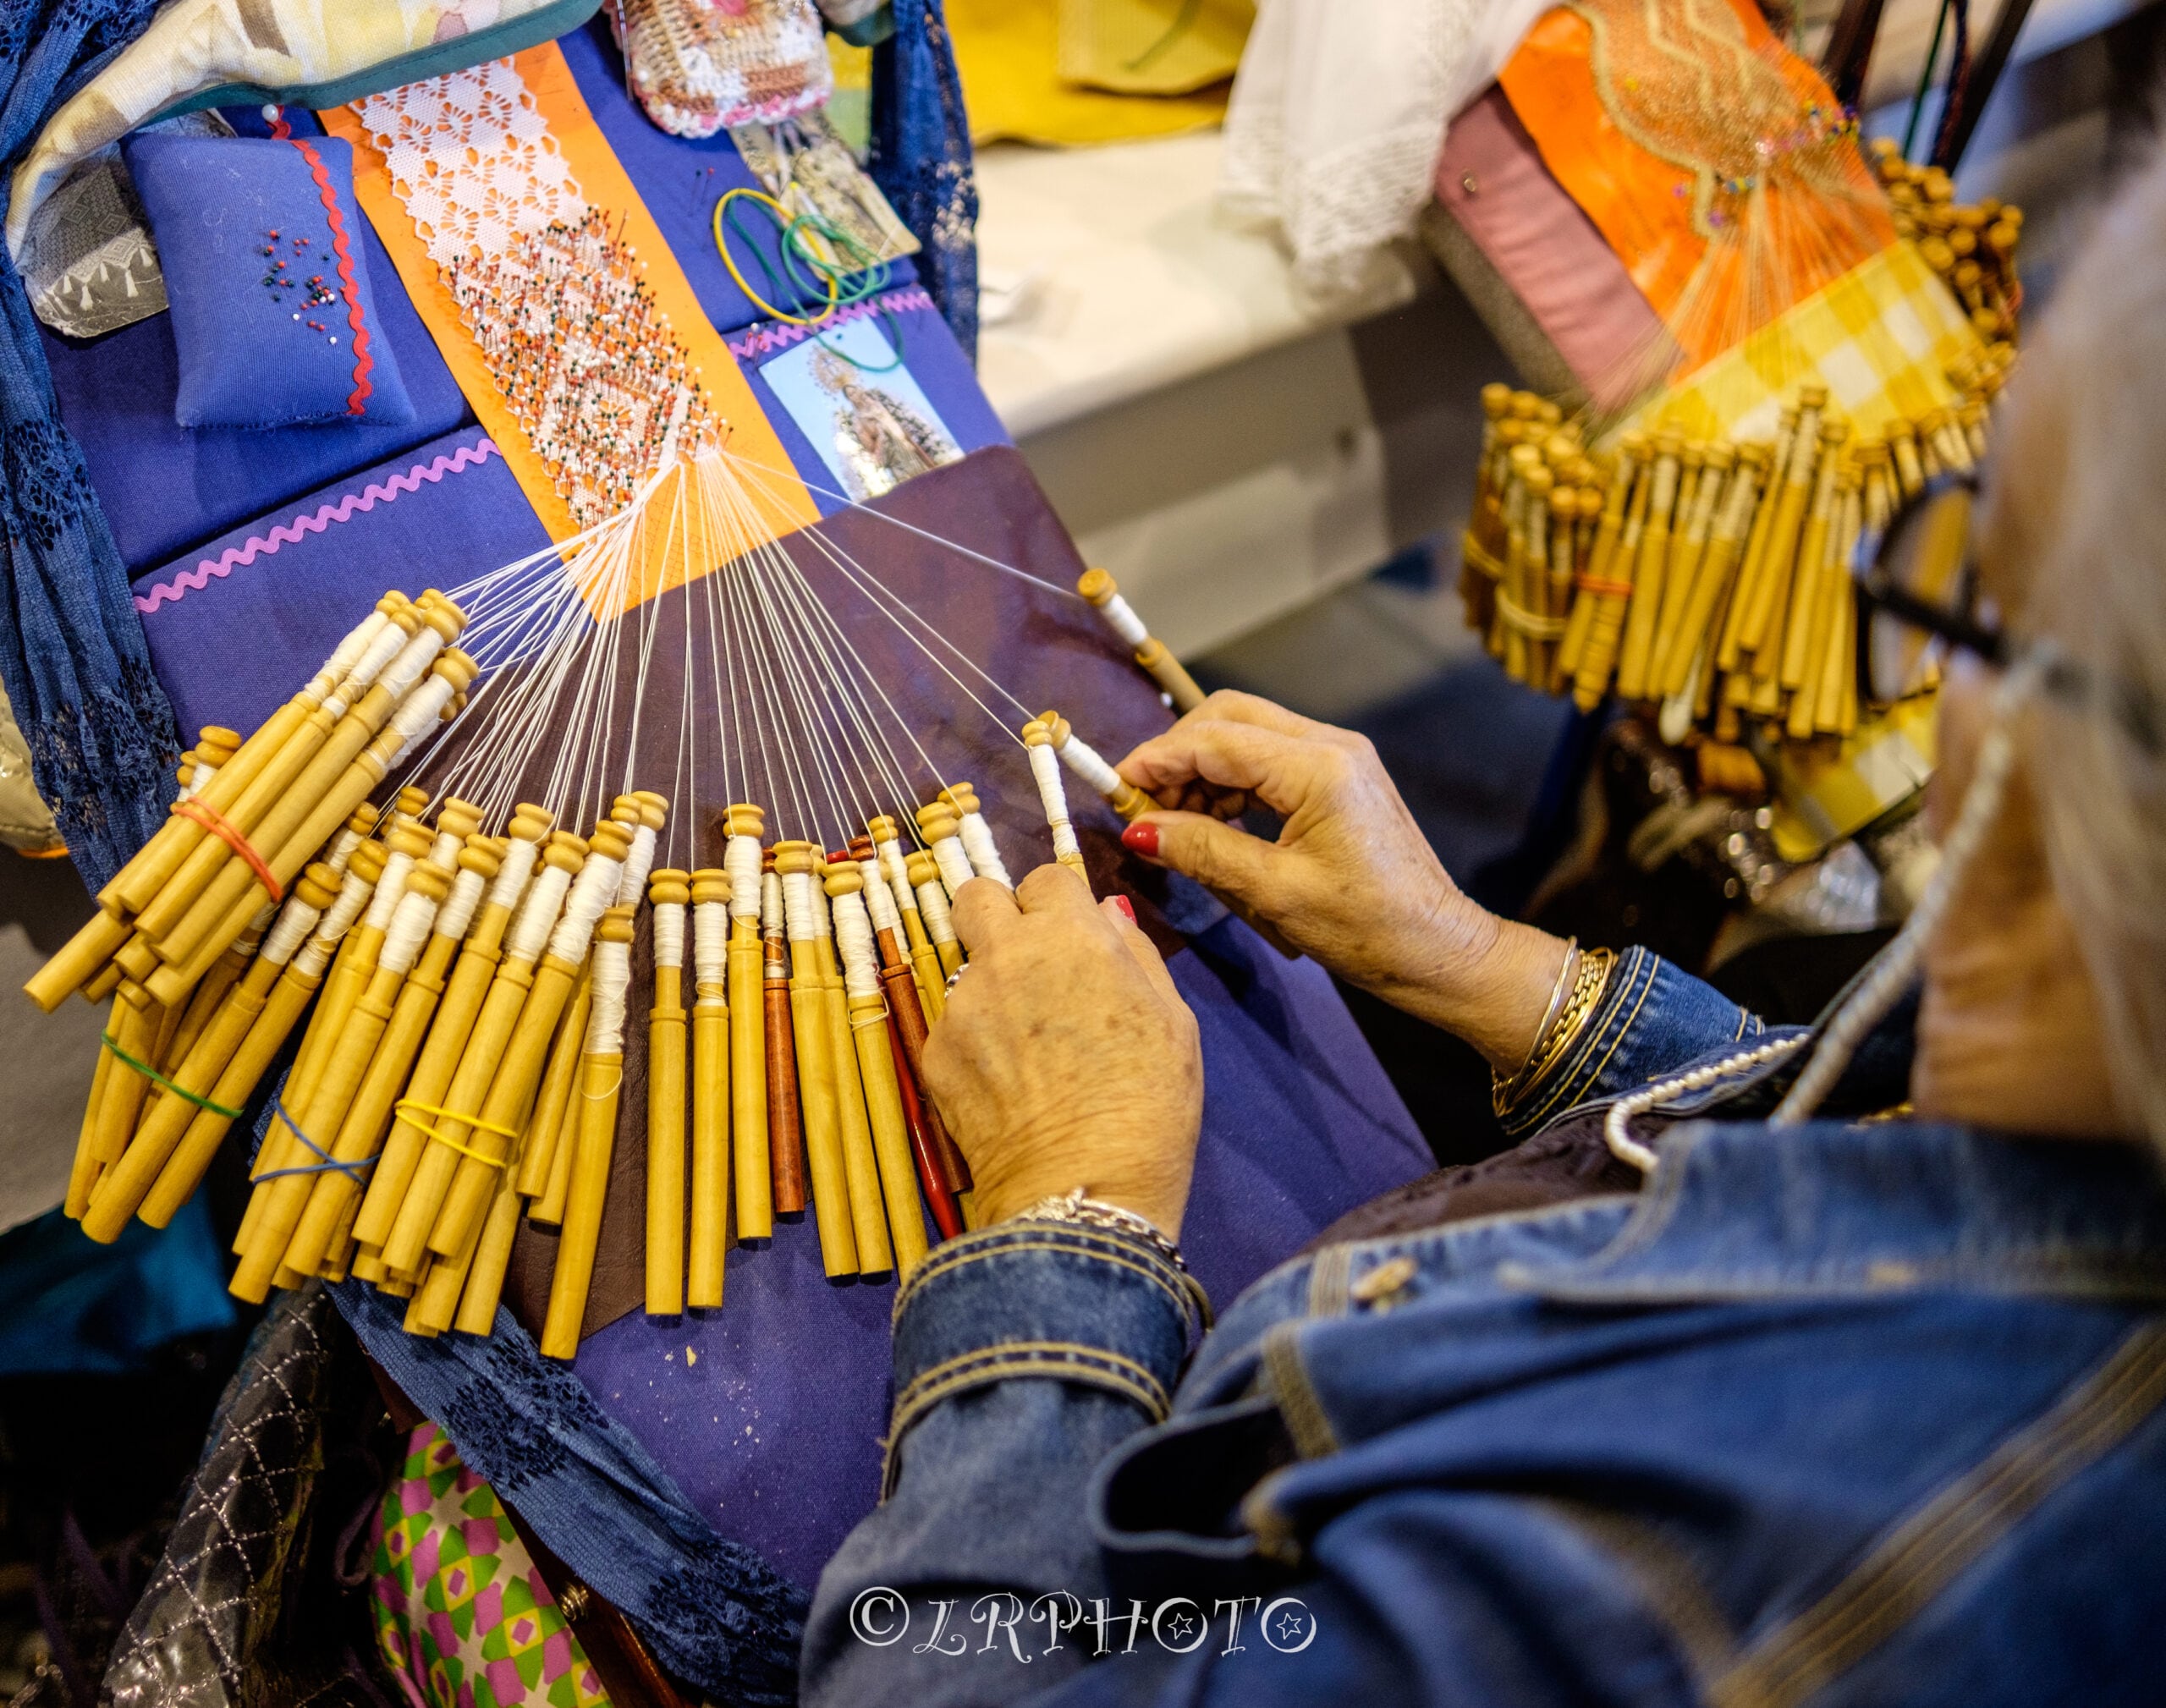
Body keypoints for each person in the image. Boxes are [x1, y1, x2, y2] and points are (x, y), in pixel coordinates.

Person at [799, 152, 2166, 1707]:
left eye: (1984, 602)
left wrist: (1074, 1212)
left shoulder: (1765, 1565)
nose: (1938, 691)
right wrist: (1480, 963)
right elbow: (1834, 1112)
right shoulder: (2089, 1116)